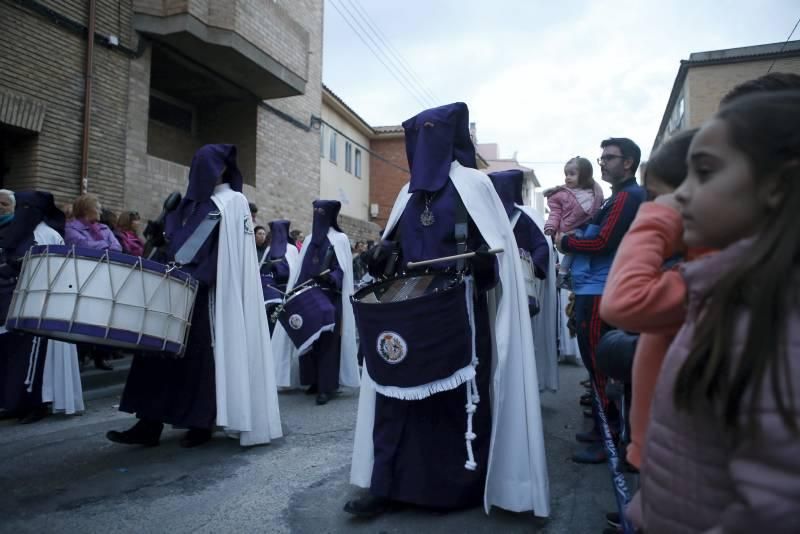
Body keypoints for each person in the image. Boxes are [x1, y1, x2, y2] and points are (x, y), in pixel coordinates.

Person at [345, 103, 548, 519]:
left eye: (431, 132)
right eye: (416, 135)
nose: (423, 143)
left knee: (455, 400)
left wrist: (480, 262)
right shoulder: (406, 193)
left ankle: (454, 488)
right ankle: (386, 484)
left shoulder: (474, 185)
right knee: (395, 396)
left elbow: (498, 263)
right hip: (408, 310)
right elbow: (398, 247)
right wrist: (384, 252)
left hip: (461, 313)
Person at [628, 90, 800, 534]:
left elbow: (775, 506)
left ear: (777, 186)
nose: (679, 196)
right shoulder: (725, 288)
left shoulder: (778, 322)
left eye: (703, 174)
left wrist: (653, 219)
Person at [107, 144, 282, 448]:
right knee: (154, 354)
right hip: (172, 289)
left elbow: (232, 254)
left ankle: (201, 423)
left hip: (208, 296)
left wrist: (199, 278)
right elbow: (173, 245)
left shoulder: (233, 201)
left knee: (200, 361)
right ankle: (148, 423)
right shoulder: (184, 204)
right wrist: (160, 239)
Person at [555, 137, 646, 464]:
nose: (602, 161)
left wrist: (566, 242)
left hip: (599, 292)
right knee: (595, 364)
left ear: (629, 163)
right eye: (602, 156)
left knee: (599, 365)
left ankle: (608, 438)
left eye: (609, 157)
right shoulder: (617, 198)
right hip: (593, 290)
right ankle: (602, 429)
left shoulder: (626, 197)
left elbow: (603, 243)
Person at [271, 201, 359, 405]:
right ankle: (312, 381)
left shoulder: (340, 239)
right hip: (308, 295)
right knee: (308, 339)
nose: (318, 216)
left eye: (321, 212)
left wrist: (332, 277)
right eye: (315, 212)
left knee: (328, 342)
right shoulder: (309, 239)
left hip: (330, 296)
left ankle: (327, 387)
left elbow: (343, 268)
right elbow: (302, 268)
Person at [488, 169, 559, 392]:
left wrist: (531, 265)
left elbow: (541, 246)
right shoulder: (485, 215)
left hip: (519, 291)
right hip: (491, 288)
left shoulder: (524, 217)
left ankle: (520, 385)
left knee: (518, 340)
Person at [17, 191, 85, 417]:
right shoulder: (22, 232)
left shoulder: (48, 235)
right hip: (24, 305)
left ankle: (39, 401)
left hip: (43, 306)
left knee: (41, 359)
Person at [0, 189, 50, 423]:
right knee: (14, 359)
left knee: (31, 361)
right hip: (15, 303)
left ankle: (34, 404)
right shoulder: (21, 232)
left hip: (36, 307)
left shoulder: (45, 234)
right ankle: (15, 403)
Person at [64, 194, 121, 371]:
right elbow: (83, 247)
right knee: (82, 315)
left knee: (103, 317)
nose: (100, 211)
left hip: (105, 277)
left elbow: (118, 248)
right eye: (97, 207)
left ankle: (101, 356)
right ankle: (82, 355)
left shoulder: (104, 228)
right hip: (83, 277)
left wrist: (101, 247)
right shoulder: (71, 229)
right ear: (86, 209)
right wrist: (105, 246)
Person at [544, 157, 603, 287]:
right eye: (566, 174)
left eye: (572, 174)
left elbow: (598, 209)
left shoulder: (594, 192)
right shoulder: (561, 194)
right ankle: (562, 275)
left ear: (585, 175)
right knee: (578, 241)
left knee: (586, 242)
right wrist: (551, 226)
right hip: (566, 229)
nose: (567, 177)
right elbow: (555, 213)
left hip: (584, 227)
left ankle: (568, 268)